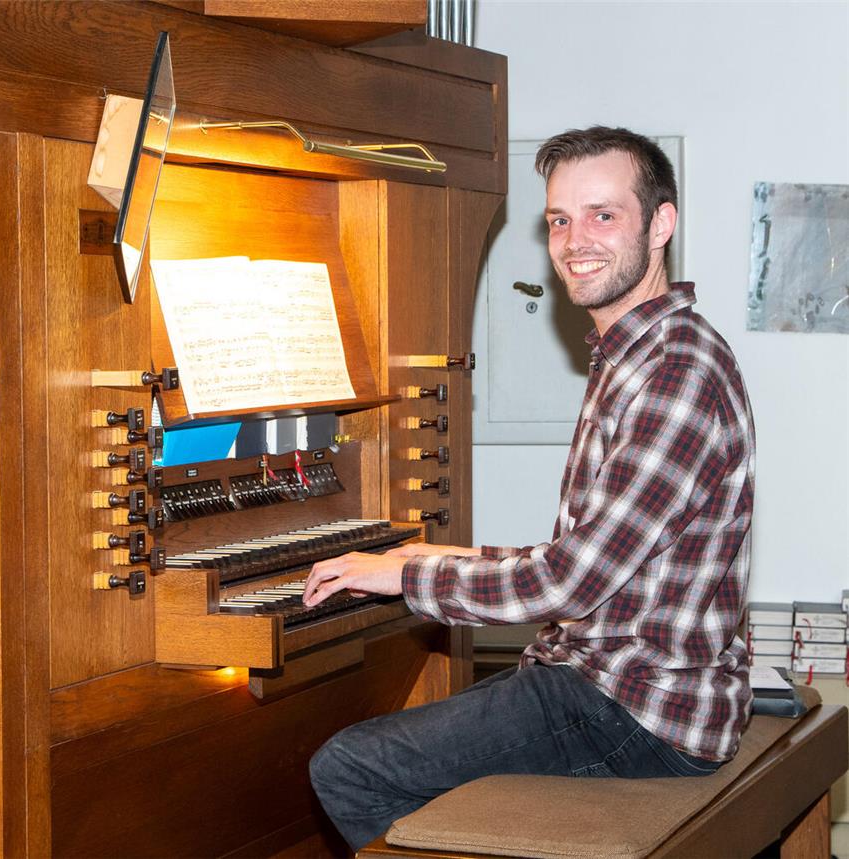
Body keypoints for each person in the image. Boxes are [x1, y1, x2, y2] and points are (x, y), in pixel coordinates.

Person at [303, 126, 755, 851]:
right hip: (622, 687)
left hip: (640, 713)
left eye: (604, 214)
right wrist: (436, 553)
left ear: (661, 223)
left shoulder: (674, 373)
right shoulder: (636, 353)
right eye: (559, 219)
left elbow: (570, 582)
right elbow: (589, 555)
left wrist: (411, 573)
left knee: (350, 765)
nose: (577, 239)